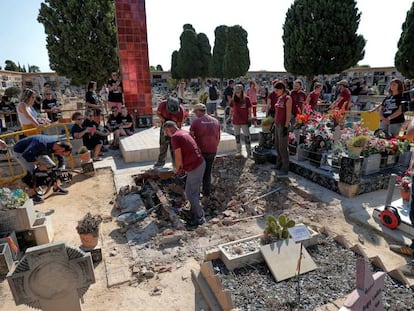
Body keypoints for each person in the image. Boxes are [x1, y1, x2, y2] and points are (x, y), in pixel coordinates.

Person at [164, 120, 206, 227]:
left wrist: (177, 169)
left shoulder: (175, 137)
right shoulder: (183, 132)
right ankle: (194, 211)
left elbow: (178, 157)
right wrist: (182, 168)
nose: (166, 134)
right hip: (199, 164)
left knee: (190, 193)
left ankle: (200, 217)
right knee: (193, 191)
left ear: (168, 129)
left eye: (165, 132)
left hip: (195, 166)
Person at [13, 135, 72, 204]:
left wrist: (62, 167)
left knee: (51, 167)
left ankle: (56, 188)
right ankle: (33, 195)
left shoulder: (57, 145)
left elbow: (61, 157)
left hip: (37, 151)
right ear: (61, 149)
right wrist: (39, 165)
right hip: (22, 152)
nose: (61, 154)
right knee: (32, 172)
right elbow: (26, 154)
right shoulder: (41, 143)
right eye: (62, 153)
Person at [190, 103, 220, 197]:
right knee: (207, 172)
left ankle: (196, 194)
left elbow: (191, 138)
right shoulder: (216, 121)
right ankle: (207, 193)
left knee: (197, 173)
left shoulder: (196, 122)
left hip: (201, 151)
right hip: (212, 150)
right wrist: (214, 147)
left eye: (195, 112)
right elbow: (218, 137)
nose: (195, 114)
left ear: (198, 111)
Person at [154, 97, 187, 167]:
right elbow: (158, 113)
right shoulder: (162, 105)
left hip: (174, 126)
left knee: (174, 145)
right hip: (165, 123)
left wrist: (176, 135)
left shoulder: (181, 110)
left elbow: (179, 125)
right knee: (163, 144)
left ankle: (175, 163)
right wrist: (163, 120)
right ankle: (161, 161)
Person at [273, 81, 292, 177]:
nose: (275, 92)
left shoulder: (288, 99)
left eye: (277, 90)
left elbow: (288, 114)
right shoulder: (279, 98)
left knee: (283, 147)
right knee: (277, 145)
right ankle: (278, 164)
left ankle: (285, 168)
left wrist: (286, 126)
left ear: (282, 89)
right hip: (277, 124)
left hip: (283, 125)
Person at [229, 84, 252, 157]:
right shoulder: (233, 100)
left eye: (239, 92)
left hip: (244, 121)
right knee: (237, 137)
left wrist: (249, 119)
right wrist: (230, 117)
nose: (237, 94)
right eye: (236, 93)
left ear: (242, 92)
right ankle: (239, 151)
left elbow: (249, 110)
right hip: (236, 121)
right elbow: (231, 110)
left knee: (247, 137)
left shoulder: (247, 99)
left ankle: (249, 152)